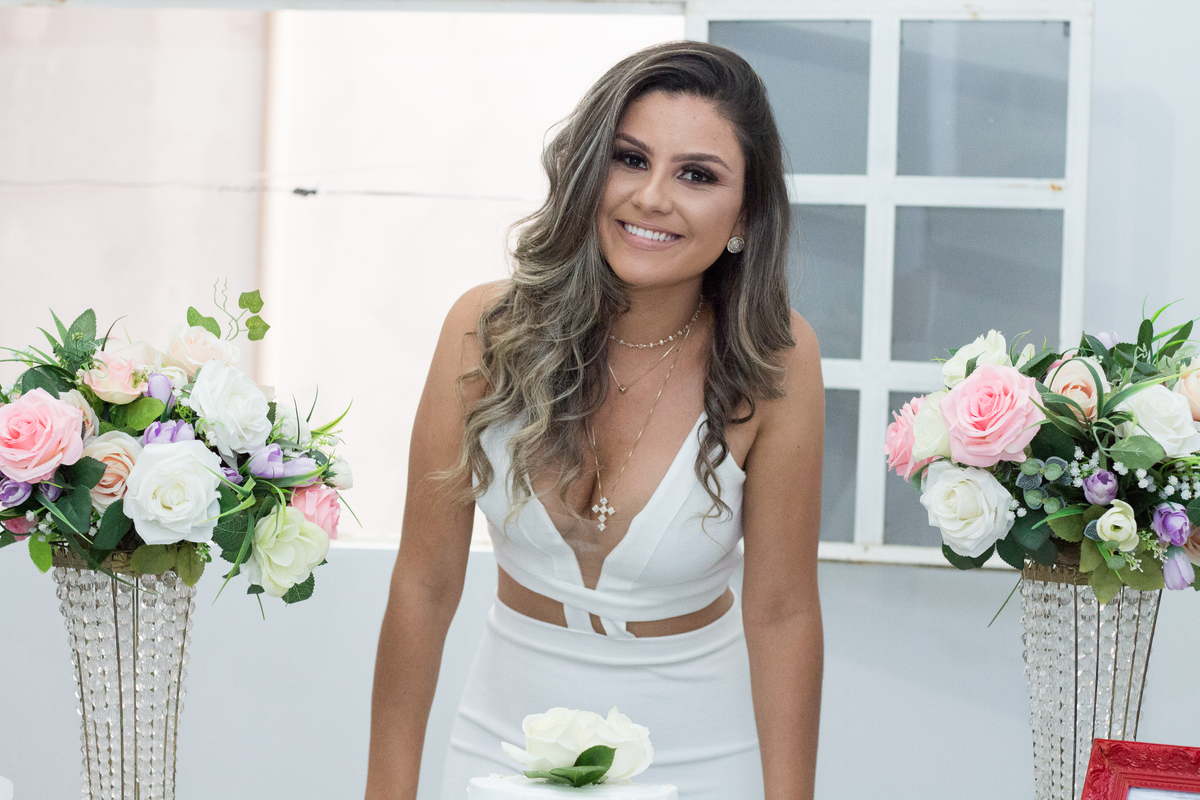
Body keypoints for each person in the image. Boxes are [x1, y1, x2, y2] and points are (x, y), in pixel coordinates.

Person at [365, 41, 824, 800]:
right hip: (500, 746)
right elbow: (425, 583)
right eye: (630, 159)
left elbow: (782, 613)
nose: (652, 198)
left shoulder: (776, 359)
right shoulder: (485, 333)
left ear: (745, 213)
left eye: (698, 175)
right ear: (589, 172)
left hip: (700, 756)